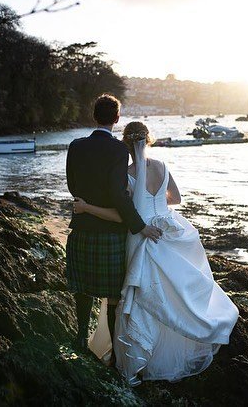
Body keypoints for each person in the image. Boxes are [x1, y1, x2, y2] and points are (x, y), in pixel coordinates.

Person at [73, 121, 239, 385]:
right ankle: (168, 352)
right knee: (172, 294)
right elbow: (177, 198)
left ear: (125, 144)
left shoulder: (126, 173)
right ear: (149, 140)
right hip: (166, 229)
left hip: (140, 234)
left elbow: (124, 210)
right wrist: (157, 204)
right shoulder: (162, 167)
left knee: (142, 295)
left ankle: (137, 356)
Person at [65, 95, 163, 355]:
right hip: (110, 234)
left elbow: (72, 186)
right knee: (112, 296)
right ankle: (113, 353)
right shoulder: (119, 151)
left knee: (83, 290)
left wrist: (87, 206)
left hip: (82, 229)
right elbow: (118, 195)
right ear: (117, 119)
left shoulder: (75, 146)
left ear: (93, 116)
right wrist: (139, 226)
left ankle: (79, 339)